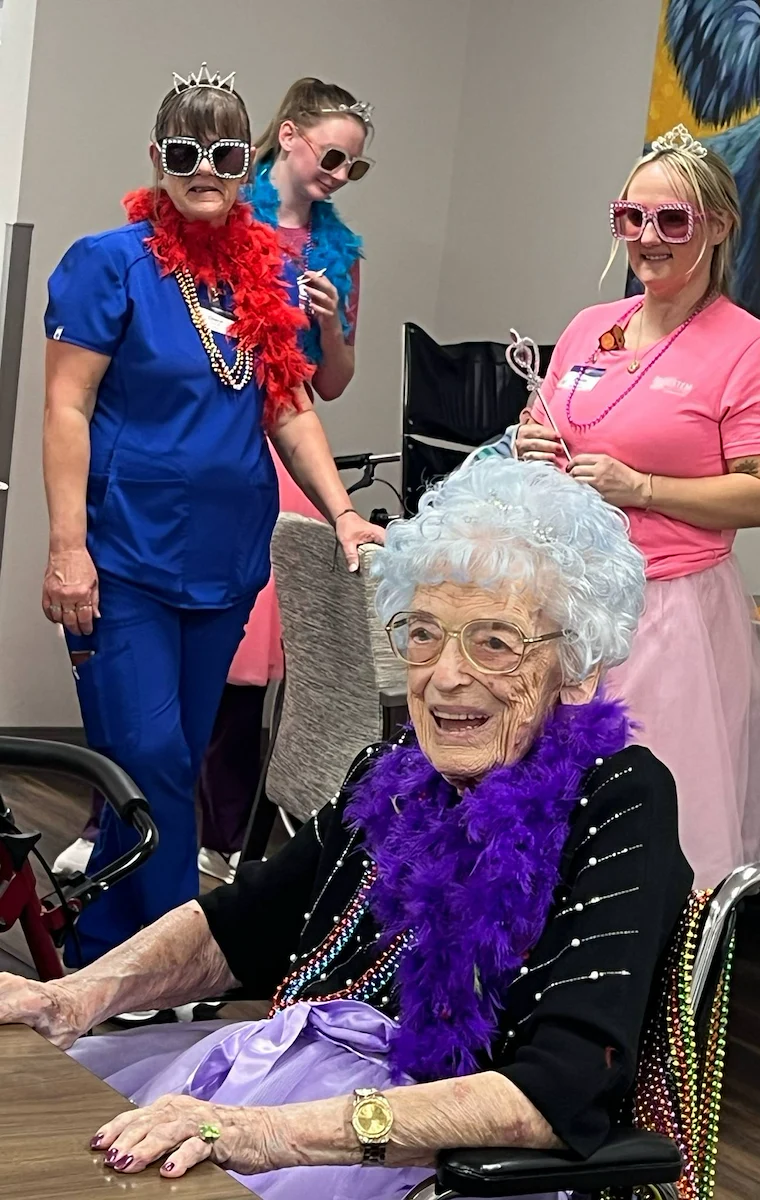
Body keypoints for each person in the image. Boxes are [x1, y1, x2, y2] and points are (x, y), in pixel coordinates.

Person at [4, 458, 692, 1199]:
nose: (446, 675)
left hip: (421, 1153)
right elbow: (237, 926)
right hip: (279, 1073)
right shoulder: (393, 771)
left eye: (494, 643)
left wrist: (259, 1132)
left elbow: (554, 1094)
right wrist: (75, 997)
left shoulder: (620, 797)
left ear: (578, 669)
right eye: (425, 634)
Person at [42, 62, 384, 969]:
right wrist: (67, 548)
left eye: (223, 153)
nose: (205, 168)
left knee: (168, 762)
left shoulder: (268, 269)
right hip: (124, 559)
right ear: (158, 158)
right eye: (186, 152)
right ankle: (174, 958)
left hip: (227, 563)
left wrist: (343, 512)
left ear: (247, 160)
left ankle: (102, 944)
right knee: (149, 753)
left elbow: (291, 404)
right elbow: (66, 410)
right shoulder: (105, 264)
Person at [513, 123, 760, 888]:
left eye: (672, 220)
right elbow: (559, 426)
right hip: (565, 604)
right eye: (631, 217)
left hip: (668, 614)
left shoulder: (748, 348)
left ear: (717, 227)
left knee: (653, 835)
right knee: (543, 823)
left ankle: (644, 996)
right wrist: (531, 445)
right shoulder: (588, 329)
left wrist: (644, 489)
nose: (648, 237)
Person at [196, 77, 373, 883]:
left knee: (252, 666)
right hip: (216, 444)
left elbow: (330, 385)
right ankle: (118, 816)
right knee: (176, 645)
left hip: (293, 455)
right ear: (292, 136)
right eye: (333, 155)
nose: (339, 174)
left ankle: (224, 839)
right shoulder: (224, 221)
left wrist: (332, 322)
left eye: (355, 167)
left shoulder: (341, 254)